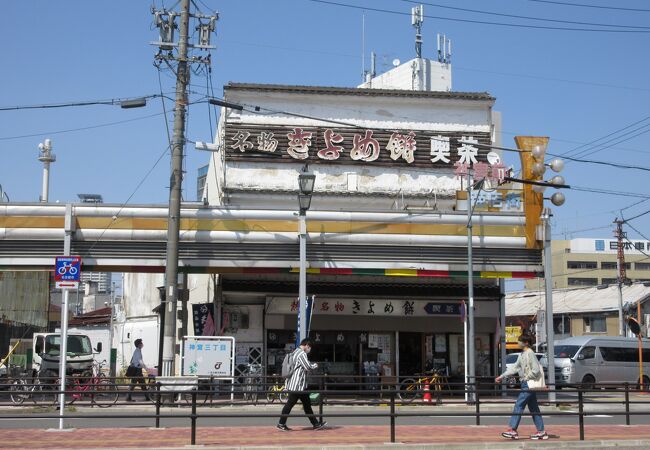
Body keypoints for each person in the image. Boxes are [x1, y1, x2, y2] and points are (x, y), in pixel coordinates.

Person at [495, 335, 548, 440]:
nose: (518, 343)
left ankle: (512, 430)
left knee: (519, 405)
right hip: (527, 384)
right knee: (533, 408)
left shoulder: (530, 353)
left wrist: (526, 377)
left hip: (528, 384)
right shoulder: (522, 354)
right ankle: (541, 431)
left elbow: (536, 370)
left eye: (520, 341)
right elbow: (515, 367)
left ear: (526, 343)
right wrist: (502, 376)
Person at [277, 338, 327, 431]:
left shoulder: (295, 351)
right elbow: (308, 367)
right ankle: (281, 423)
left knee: (306, 405)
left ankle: (315, 424)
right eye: (309, 347)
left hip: (298, 384)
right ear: (307, 345)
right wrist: (316, 365)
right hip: (298, 385)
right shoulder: (301, 353)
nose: (309, 349)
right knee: (291, 404)